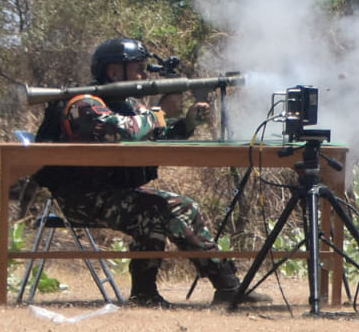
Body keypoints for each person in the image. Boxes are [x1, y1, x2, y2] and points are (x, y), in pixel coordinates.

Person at [32, 37, 242, 308]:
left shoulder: (129, 104)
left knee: (184, 206)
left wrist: (187, 122)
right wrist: (160, 112)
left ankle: (225, 286)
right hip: (81, 197)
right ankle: (154, 292)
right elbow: (122, 130)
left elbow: (157, 133)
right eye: (138, 68)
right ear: (114, 72)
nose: (143, 74)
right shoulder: (84, 104)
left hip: (116, 192)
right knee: (156, 209)